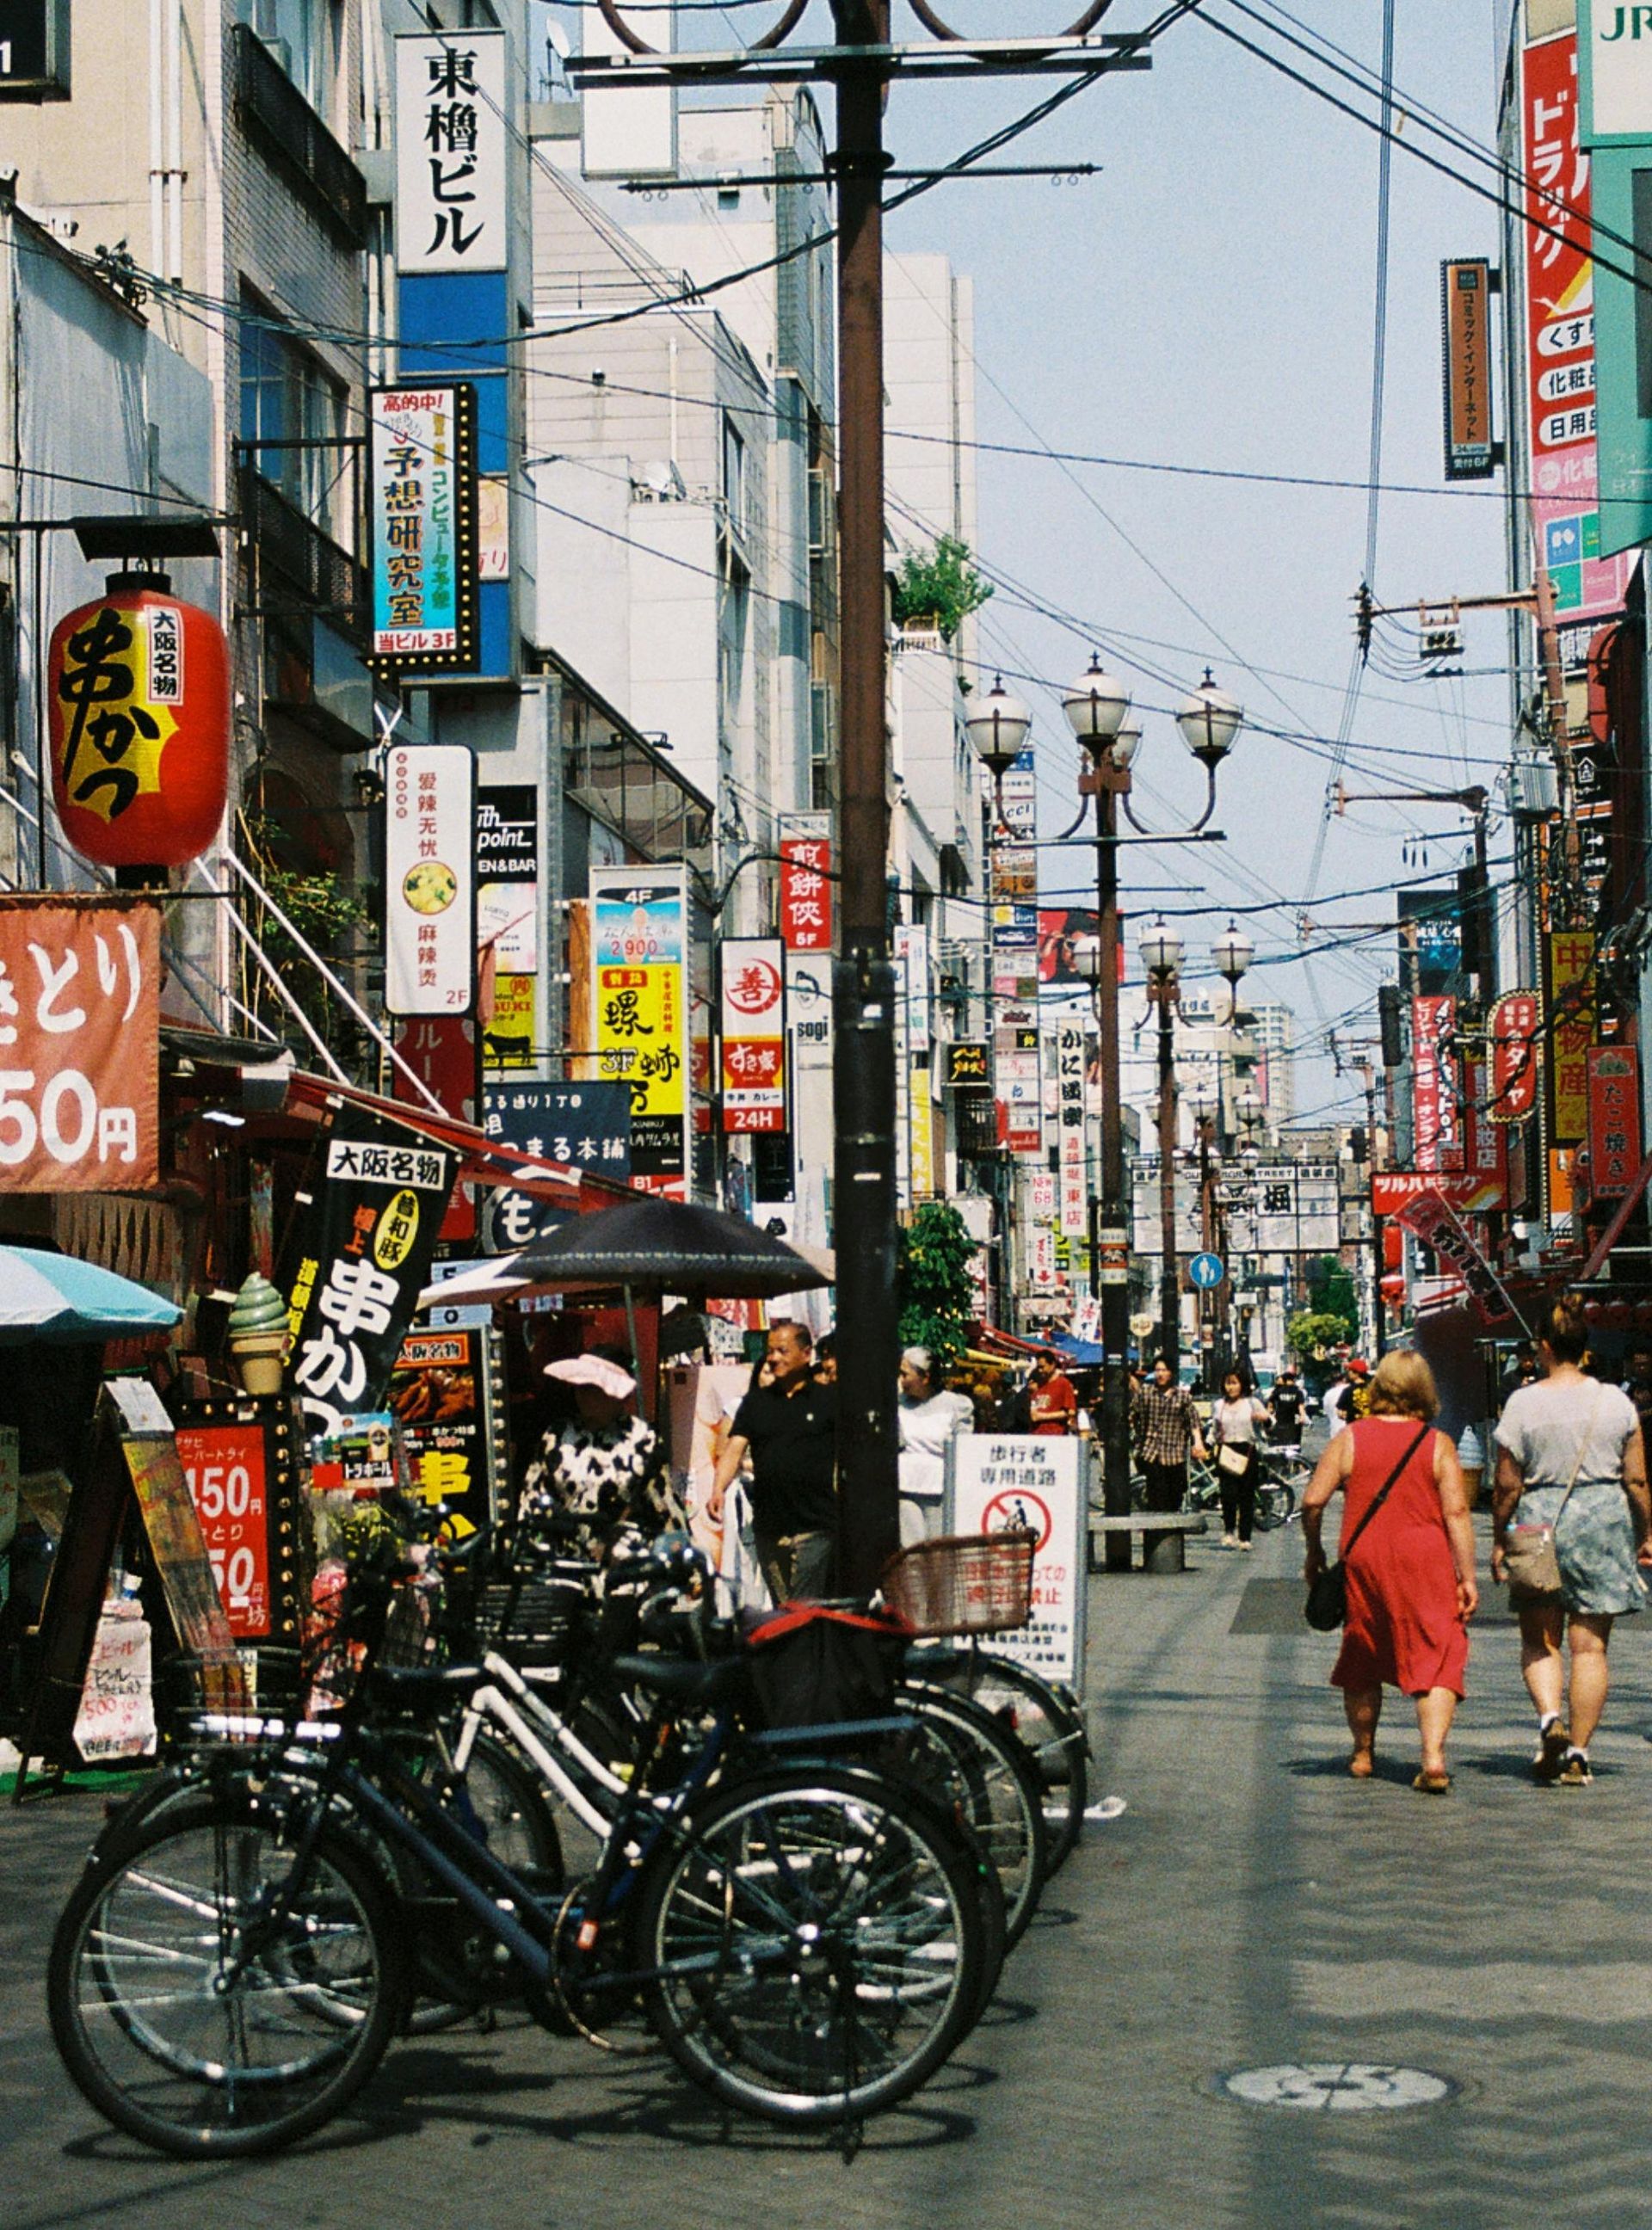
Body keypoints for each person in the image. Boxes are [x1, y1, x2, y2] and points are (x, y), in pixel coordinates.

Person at [1301, 1350, 1478, 1793]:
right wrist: (1468, 1575)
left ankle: (1362, 1754)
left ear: (1378, 1388)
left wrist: (1313, 1551)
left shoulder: (1351, 1439)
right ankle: (1434, 1758)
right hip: (1426, 1559)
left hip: (1365, 1558)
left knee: (1363, 1650)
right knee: (1438, 1651)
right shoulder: (1437, 1444)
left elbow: (1312, 1501)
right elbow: (1456, 1512)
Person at [1492, 1297, 1650, 1786]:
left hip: (1540, 1522)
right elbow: (1637, 1480)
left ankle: (1547, 1720)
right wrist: (1646, 1533)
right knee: (1590, 1648)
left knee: (1540, 1637)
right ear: (1584, 1347)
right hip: (1603, 1521)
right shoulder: (1616, 1402)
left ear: (1543, 1347)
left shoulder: (1523, 1402)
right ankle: (1579, 1753)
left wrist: (1500, 1537)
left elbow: (1507, 1484)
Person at [708, 1319, 837, 1602]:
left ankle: (803, 1646)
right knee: (783, 1606)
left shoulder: (828, 1401)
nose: (773, 1358)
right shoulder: (755, 1404)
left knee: (803, 1607)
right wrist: (718, 1488)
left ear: (806, 1354)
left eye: (782, 1351)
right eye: (770, 1351)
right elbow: (734, 1449)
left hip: (814, 1527)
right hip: (769, 1526)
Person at [519, 1349, 676, 1564]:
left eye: (593, 1390)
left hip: (623, 1565)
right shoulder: (557, 1435)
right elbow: (533, 1497)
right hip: (565, 1563)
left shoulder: (642, 1439)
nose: (583, 1396)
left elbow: (663, 1507)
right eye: (580, 1388)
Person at [897, 1346, 972, 1544]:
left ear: (925, 1377)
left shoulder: (956, 1405)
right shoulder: (897, 1405)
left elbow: (963, 1447)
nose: (901, 1379)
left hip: (940, 1488)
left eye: (905, 1374)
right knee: (910, 1549)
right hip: (905, 1487)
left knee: (938, 1549)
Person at [1131, 1357, 1208, 1516]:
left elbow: (1193, 1421)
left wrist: (1198, 1443)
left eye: (1164, 1370)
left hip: (1174, 1453)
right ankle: (1157, 1532)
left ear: (1171, 1373)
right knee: (1156, 1494)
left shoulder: (1182, 1397)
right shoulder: (1146, 1392)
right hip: (1151, 1451)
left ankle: (1172, 1530)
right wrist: (1138, 1436)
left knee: (1175, 1493)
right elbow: (1133, 1414)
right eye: (1158, 1370)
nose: (1160, 1374)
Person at [1211, 1369, 1270, 1550]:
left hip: (1247, 1450)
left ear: (1242, 1384)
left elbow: (1270, 1422)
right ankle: (1229, 1532)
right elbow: (1214, 1430)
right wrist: (1205, 1445)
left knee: (1246, 1496)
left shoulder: (1252, 1403)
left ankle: (1245, 1537)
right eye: (1228, 1383)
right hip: (1226, 1450)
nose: (1231, 1387)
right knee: (1227, 1494)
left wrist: (1263, 1419)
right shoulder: (1219, 1405)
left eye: (1235, 1383)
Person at [1026, 1349, 1077, 1436]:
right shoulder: (1037, 1385)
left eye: (1042, 1367)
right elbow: (1033, 1409)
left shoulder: (1063, 1384)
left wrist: (1043, 1416)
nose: (1040, 1370)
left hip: (1055, 1435)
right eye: (1038, 1367)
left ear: (1052, 1365)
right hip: (1036, 1434)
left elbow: (1071, 1412)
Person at [1269, 1367, 1306, 1457]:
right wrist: (1303, 1416)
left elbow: (1270, 1404)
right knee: (1294, 1445)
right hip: (1293, 1422)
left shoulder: (1277, 1391)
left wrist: (1271, 1413)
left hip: (1280, 1421)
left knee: (1281, 1444)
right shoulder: (1298, 1392)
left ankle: (1283, 1460)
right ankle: (1295, 1462)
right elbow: (1301, 1406)